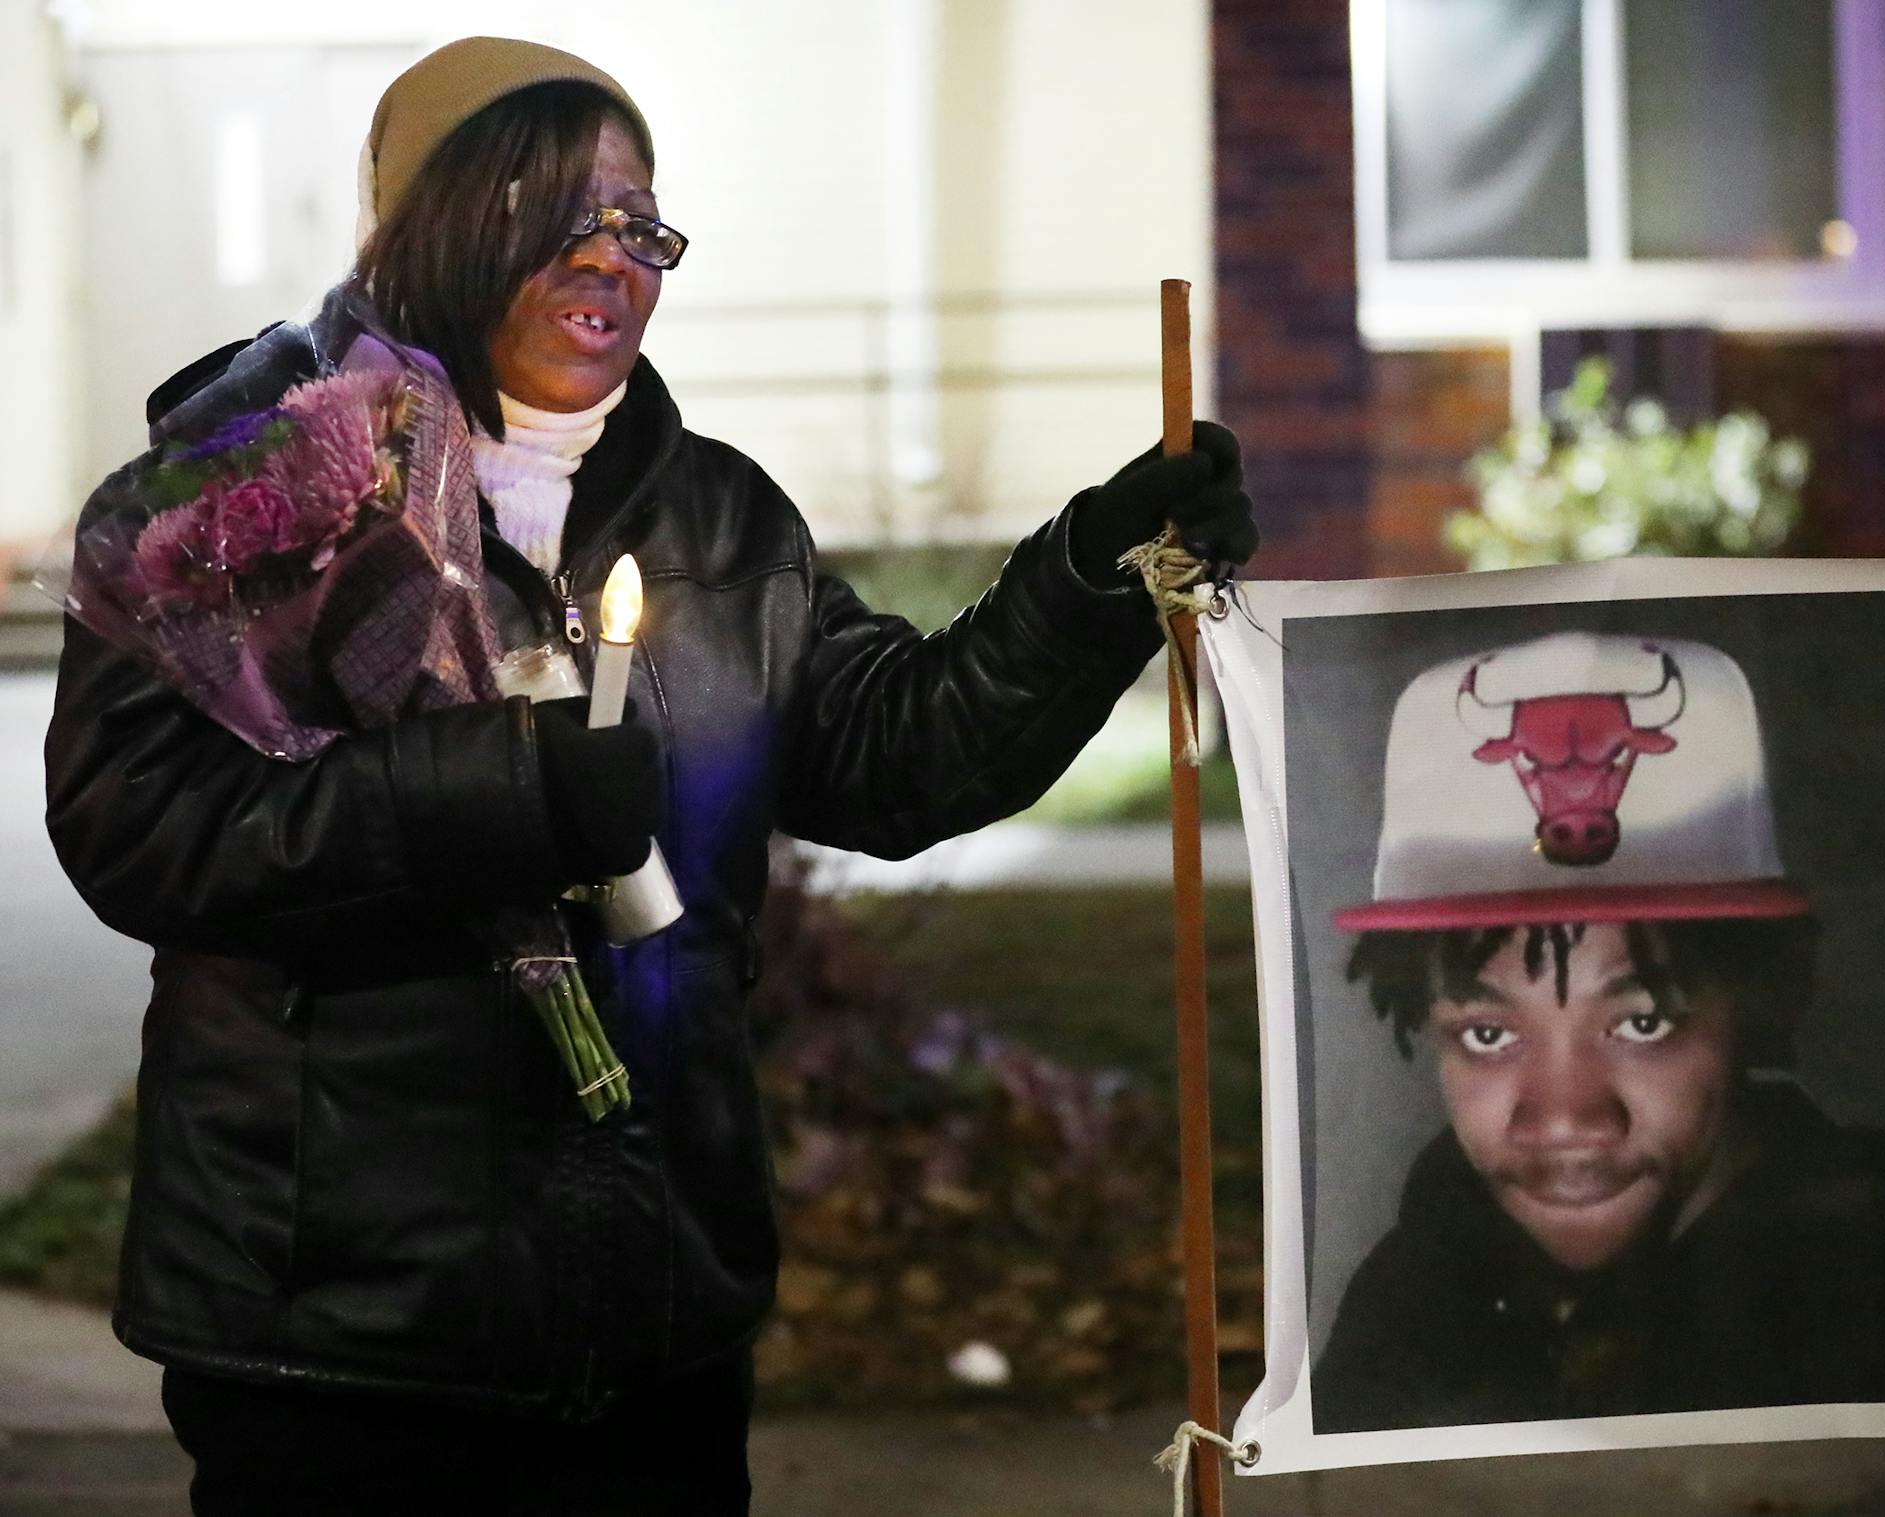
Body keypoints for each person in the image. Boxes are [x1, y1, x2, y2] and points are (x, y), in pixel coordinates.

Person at [44, 37, 1255, 1515]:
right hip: (340, 1341)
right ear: (421, 222)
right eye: (556, 209)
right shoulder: (247, 496)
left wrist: (1089, 577)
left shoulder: (721, 522)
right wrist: (492, 793)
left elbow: (897, 757)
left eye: (640, 225)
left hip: (647, 1327)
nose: (610, 255)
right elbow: (140, 827)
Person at [1310, 631, 1885, 1434]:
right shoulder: (1405, 1303)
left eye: (1643, 1021)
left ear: (1760, 999)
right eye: (1489, 1034)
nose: (1566, 1117)